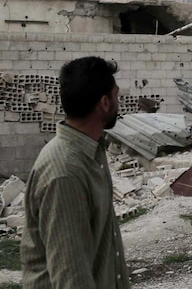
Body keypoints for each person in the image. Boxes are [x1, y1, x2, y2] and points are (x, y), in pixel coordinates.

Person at [21, 56, 130, 289]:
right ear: (104, 103)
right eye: (116, 96)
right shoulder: (65, 173)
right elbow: (71, 276)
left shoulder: (91, 153)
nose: (118, 102)